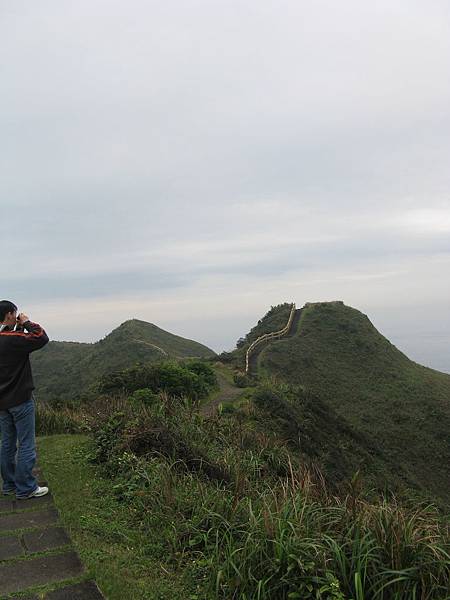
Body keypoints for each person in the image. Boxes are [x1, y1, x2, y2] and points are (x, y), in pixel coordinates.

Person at [0, 300, 49, 499]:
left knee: (6, 444)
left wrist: (16, 327)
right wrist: (27, 322)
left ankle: (9, 485)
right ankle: (26, 488)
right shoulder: (14, 339)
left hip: (2, 403)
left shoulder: (6, 336)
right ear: (11, 314)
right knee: (26, 444)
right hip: (20, 399)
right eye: (16, 313)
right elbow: (41, 337)